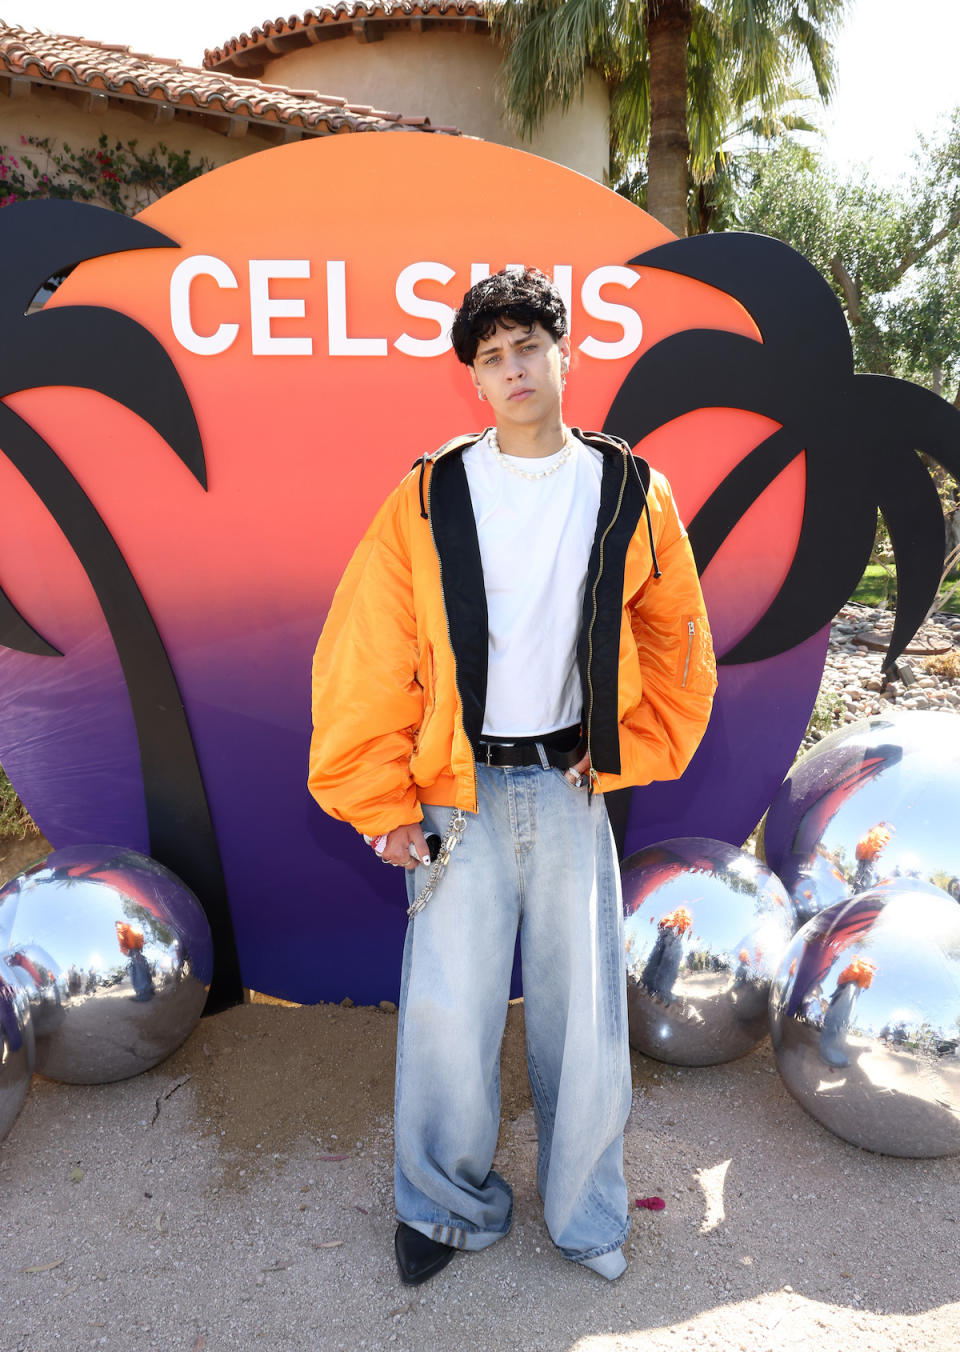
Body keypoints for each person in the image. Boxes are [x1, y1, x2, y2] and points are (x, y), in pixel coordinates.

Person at [309, 268, 716, 1286]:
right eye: (491, 356)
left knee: (585, 1014)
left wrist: (627, 740)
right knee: (450, 1007)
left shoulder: (629, 485)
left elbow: (676, 634)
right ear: (475, 380)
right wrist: (381, 801)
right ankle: (442, 1208)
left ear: (564, 353)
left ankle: (586, 1212)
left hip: (574, 787)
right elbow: (370, 648)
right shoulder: (431, 490)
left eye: (528, 345)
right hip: (457, 788)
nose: (512, 368)